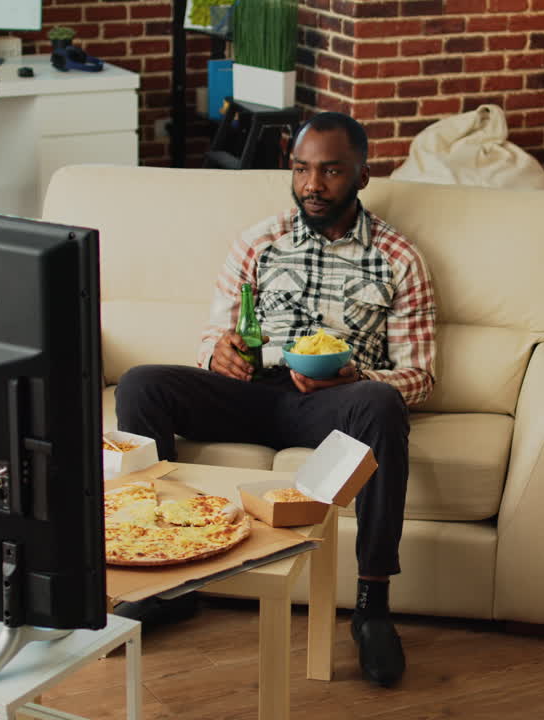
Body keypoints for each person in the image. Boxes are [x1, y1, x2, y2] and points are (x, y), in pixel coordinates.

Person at [115, 112, 437, 688]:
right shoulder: (259, 241)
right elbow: (213, 331)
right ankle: (165, 582)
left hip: (333, 407)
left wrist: (355, 375)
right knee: (142, 384)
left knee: (383, 406)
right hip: (250, 394)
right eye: (302, 169)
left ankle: (372, 609)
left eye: (331, 171)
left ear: (363, 175)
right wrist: (218, 352)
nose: (313, 185)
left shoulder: (399, 259)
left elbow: (420, 376)